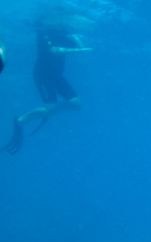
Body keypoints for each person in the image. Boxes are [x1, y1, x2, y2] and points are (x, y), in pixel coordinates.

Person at [3, 19, 91, 154]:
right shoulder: (44, 31)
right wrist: (79, 48)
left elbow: (83, 50)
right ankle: (21, 120)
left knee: (76, 104)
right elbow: (54, 50)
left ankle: (48, 111)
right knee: (51, 106)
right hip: (43, 75)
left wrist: (77, 40)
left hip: (57, 75)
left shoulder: (64, 33)